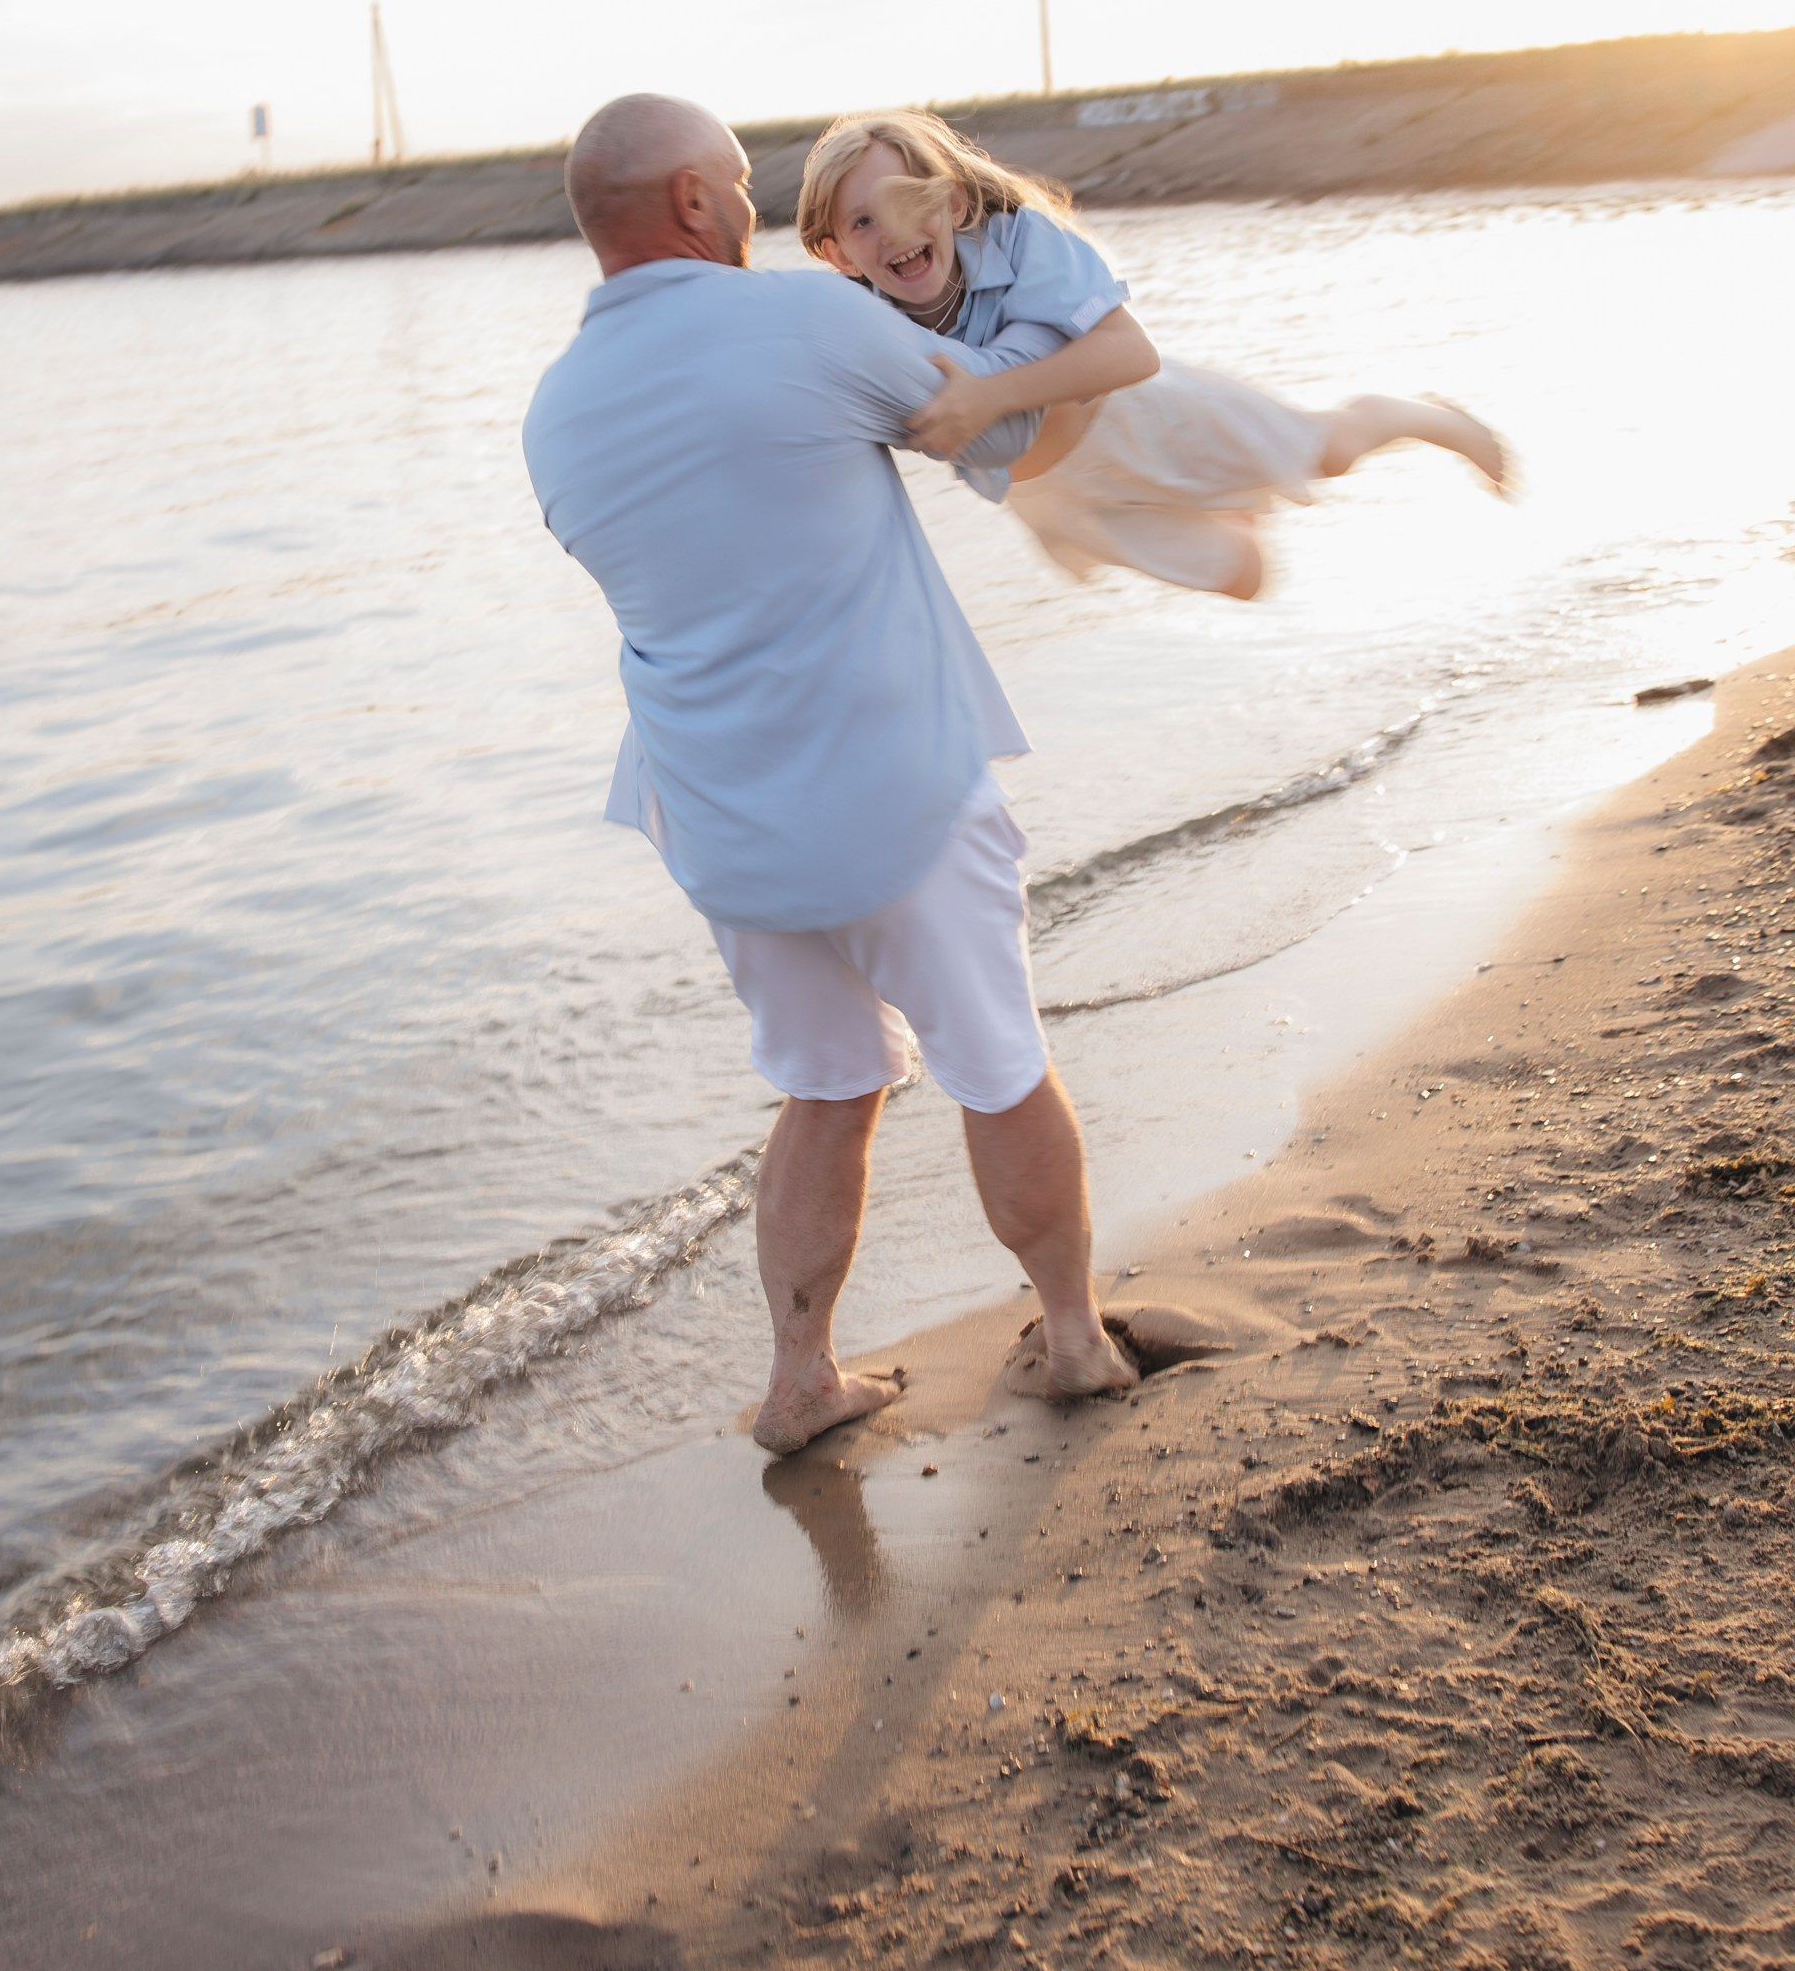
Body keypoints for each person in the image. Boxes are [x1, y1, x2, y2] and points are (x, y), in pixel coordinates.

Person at [522, 94, 1159, 1456]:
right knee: (997, 1059)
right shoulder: (808, 322)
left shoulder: (555, 409)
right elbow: (1007, 435)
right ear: (694, 203)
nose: (758, 218)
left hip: (717, 819)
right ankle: (1074, 1339)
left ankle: (799, 1379)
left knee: (824, 1086)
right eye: (743, 188)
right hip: (890, 787)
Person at [797, 111, 1511, 600]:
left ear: (951, 204)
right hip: (1054, 495)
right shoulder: (866, 323)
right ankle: (1228, 505)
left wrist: (992, 394)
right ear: (836, 253)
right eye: (862, 222)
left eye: (906, 202)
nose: (893, 232)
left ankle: (1420, 416)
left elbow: (1131, 354)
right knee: (1247, 577)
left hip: (1141, 415)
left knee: (1328, 452)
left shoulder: (1019, 243)